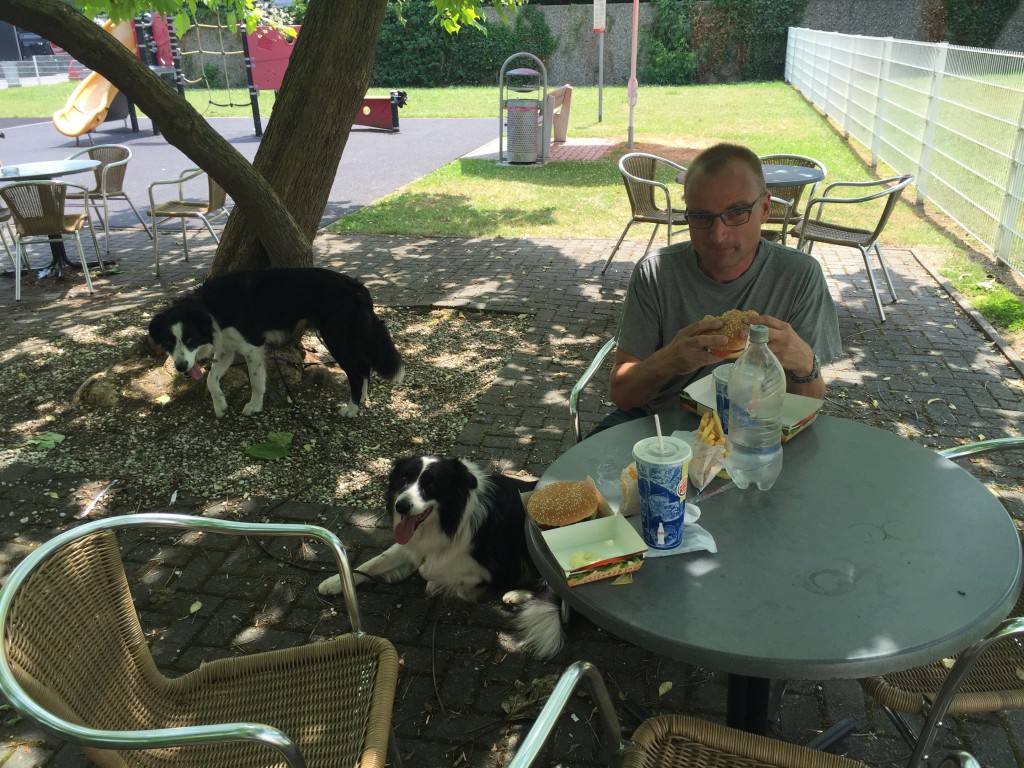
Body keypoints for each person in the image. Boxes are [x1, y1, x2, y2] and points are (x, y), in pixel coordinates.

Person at [594, 142, 842, 435]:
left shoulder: (799, 275)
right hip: (662, 429)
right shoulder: (657, 272)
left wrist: (805, 364)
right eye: (701, 216)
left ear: (764, 209)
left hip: (759, 429)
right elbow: (622, 395)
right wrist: (669, 359)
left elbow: (808, 407)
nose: (718, 234)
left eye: (736, 213)